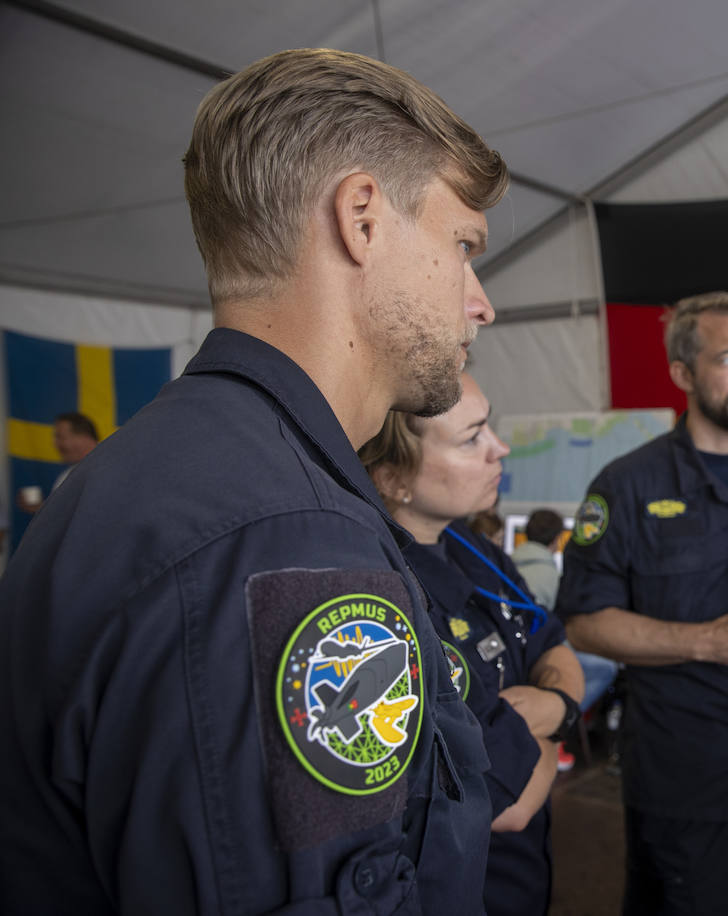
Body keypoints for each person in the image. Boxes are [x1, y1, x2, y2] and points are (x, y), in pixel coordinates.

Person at [0, 48, 506, 913]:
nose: (482, 301)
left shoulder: (168, 470)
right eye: (463, 246)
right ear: (362, 218)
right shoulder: (287, 537)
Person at [557, 291, 728, 916]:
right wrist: (706, 641)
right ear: (683, 374)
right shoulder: (627, 485)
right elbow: (585, 622)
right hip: (685, 779)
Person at [360, 373, 584, 916]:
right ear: (393, 478)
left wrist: (550, 706)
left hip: (529, 875)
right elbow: (505, 805)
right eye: (472, 438)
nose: (500, 449)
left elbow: (555, 644)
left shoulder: (472, 546)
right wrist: (562, 720)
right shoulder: (383, 592)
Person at [513, 507, 619, 764]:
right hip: (536, 655)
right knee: (606, 667)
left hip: (511, 655)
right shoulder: (552, 577)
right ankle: (558, 722)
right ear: (558, 539)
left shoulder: (502, 566)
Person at [15, 411, 100, 513]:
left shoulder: (104, 471)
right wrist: (41, 509)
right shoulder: (68, 474)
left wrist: (40, 510)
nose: (55, 443)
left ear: (83, 438)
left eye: (60, 437)